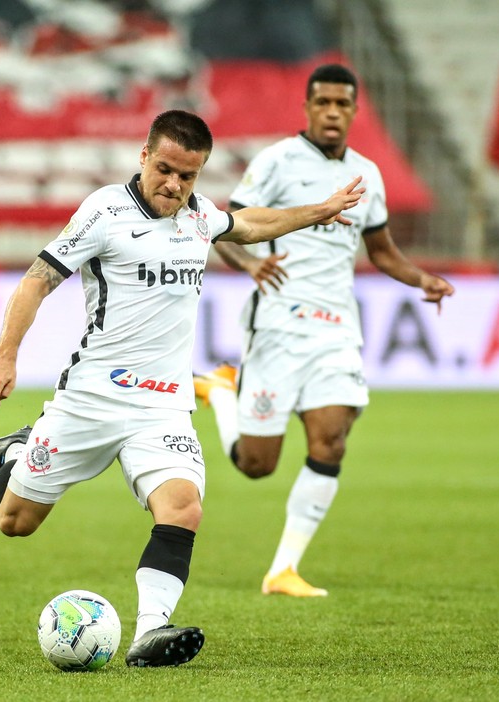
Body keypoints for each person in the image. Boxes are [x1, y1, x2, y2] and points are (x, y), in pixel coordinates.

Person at [0, 109, 364, 666]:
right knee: (15, 523)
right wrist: (5, 355)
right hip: (91, 398)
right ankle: (20, 447)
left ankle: (151, 631)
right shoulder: (104, 211)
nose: (174, 185)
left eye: (189, 175)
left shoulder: (199, 216)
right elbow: (37, 280)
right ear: (144, 156)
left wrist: (319, 212)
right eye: (166, 169)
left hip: (162, 405)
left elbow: (251, 225)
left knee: (183, 508)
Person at [193, 63, 455, 597]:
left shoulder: (367, 174)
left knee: (330, 441)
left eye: (343, 104)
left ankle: (283, 570)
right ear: (308, 107)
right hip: (278, 325)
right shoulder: (277, 161)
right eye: (324, 103)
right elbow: (223, 225)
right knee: (256, 465)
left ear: (355, 111)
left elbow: (381, 251)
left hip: (336, 330)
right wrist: (249, 266)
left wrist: (421, 278)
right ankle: (222, 391)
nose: (333, 112)